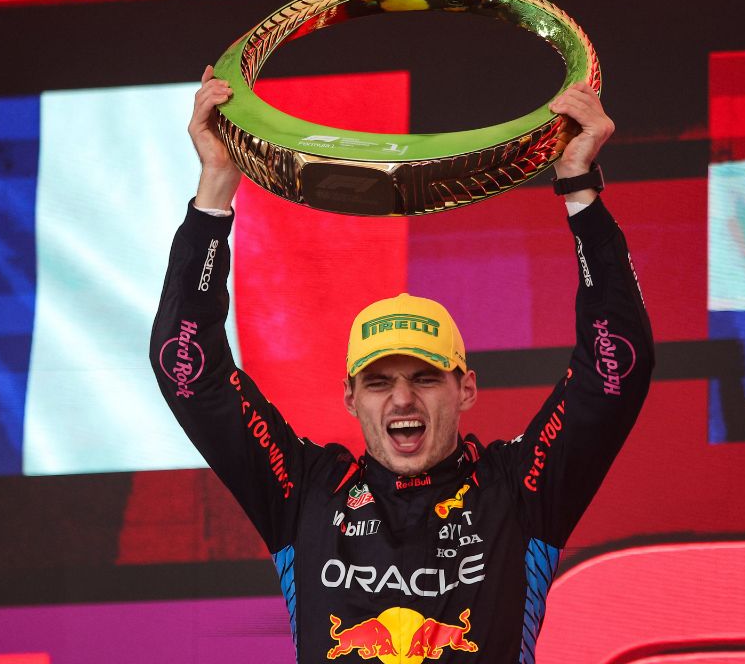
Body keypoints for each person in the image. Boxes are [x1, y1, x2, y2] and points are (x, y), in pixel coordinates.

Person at [151, 65, 654, 662]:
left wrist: (579, 185)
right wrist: (215, 187)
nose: (401, 399)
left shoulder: (518, 492)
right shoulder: (305, 493)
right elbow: (189, 370)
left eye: (424, 377)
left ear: (465, 388)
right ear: (350, 398)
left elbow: (613, 367)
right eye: (378, 381)